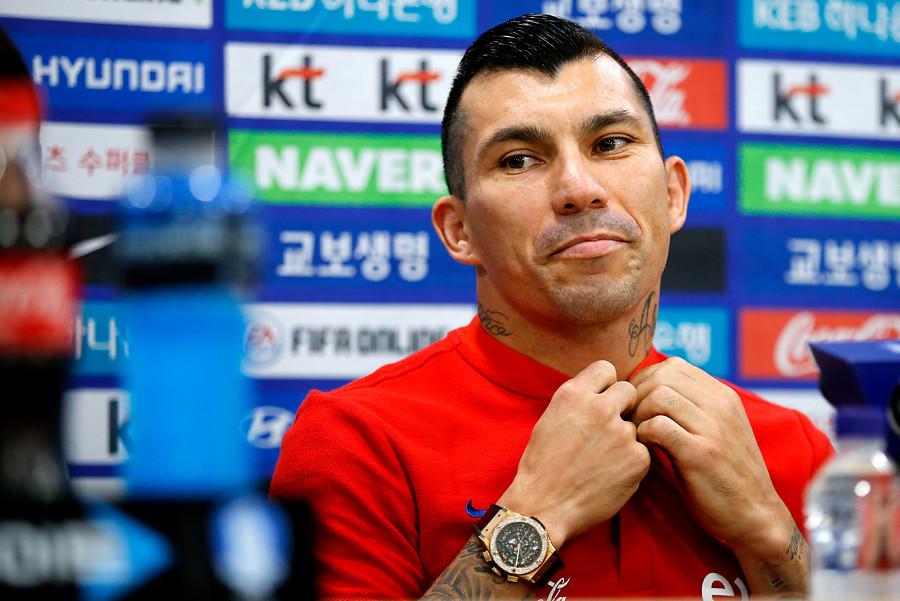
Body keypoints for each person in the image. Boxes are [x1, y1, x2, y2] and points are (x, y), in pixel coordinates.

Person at [270, 13, 833, 600]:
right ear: (459, 230)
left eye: (610, 143)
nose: (578, 189)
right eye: (519, 159)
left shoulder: (791, 445)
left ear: (673, 195)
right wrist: (535, 518)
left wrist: (769, 535)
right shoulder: (355, 442)